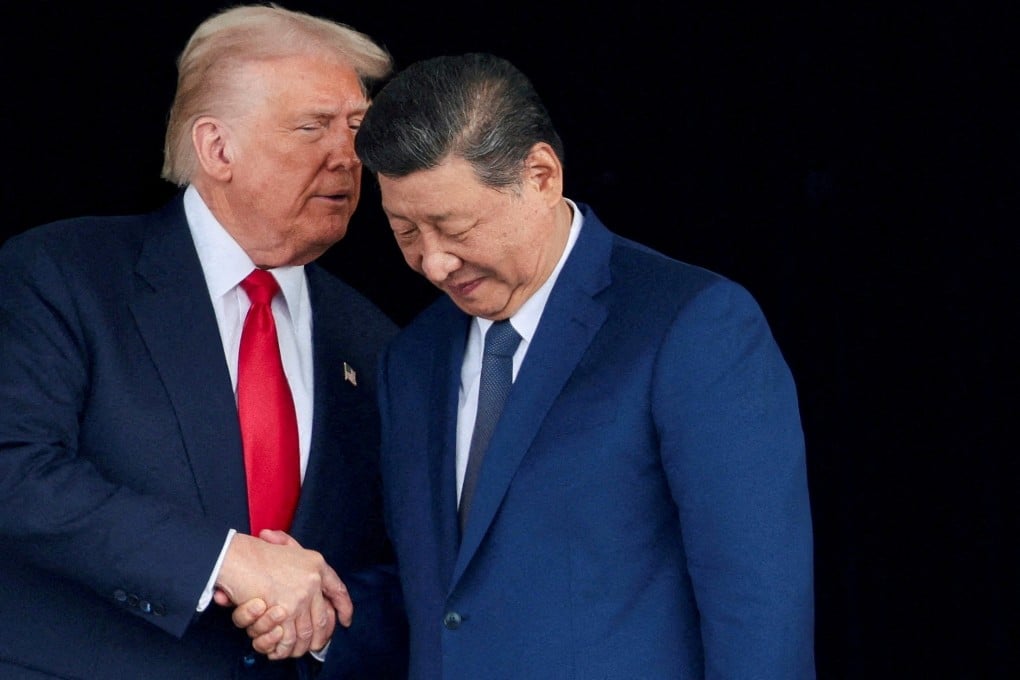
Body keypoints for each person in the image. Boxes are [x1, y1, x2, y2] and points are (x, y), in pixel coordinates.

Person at [249, 51, 815, 678]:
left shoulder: (690, 326)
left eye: (454, 226)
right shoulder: (410, 358)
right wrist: (323, 618)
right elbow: (443, 600)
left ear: (541, 176)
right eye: (405, 232)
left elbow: (758, 607)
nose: (433, 263)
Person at [0, 5, 407, 679]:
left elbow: (406, 563)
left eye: (357, 128)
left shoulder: (375, 342)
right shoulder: (64, 275)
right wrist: (222, 560)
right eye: (313, 127)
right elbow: (13, 470)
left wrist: (320, 623)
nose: (348, 155)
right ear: (218, 148)